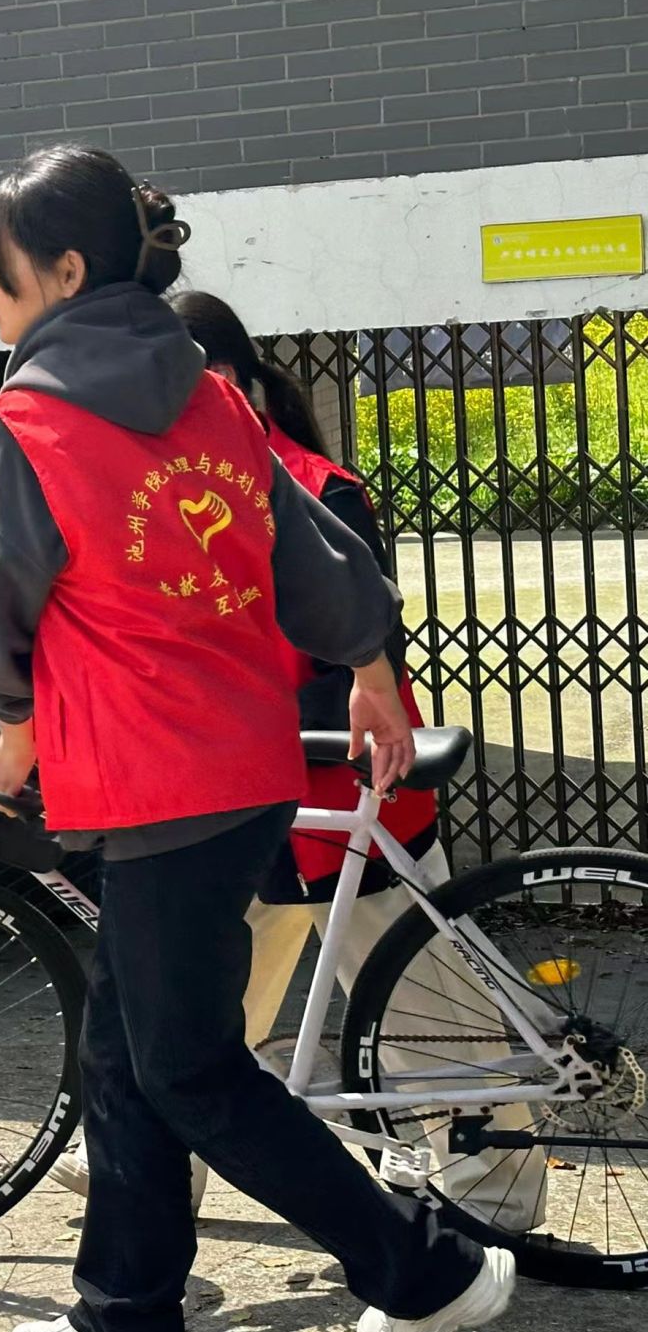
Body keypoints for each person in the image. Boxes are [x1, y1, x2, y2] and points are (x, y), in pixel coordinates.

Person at [0, 146, 511, 1332]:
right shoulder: (213, 404)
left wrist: (12, 720)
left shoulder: (22, 429)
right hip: (246, 769)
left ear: (64, 271)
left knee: (187, 1065)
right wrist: (368, 661)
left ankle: (421, 1267)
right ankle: (129, 1313)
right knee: (124, 1049)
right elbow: (319, 563)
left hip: (144, 786)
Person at [46, 293, 548, 1234]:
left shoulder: (317, 485)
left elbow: (362, 632)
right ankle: (155, 1175)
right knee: (198, 1016)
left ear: (230, 381)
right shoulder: (165, 485)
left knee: (426, 1005)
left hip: (337, 788)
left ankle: (497, 1192)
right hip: (237, 792)